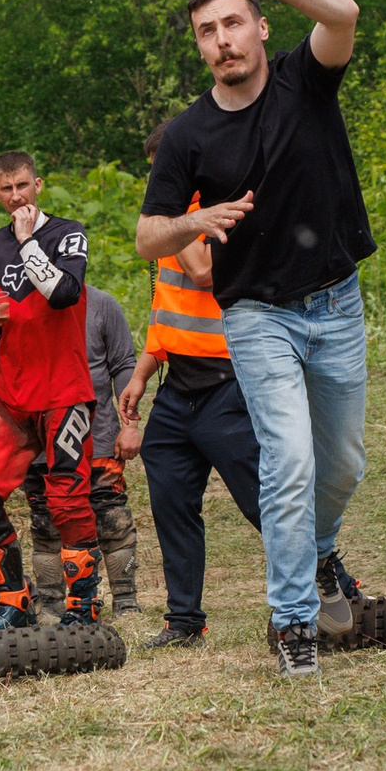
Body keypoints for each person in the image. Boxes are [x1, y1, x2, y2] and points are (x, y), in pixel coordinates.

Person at [137, 0, 373, 679]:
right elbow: (147, 236)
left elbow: (344, 13)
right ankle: (294, 622)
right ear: (200, 48)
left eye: (232, 22)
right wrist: (192, 222)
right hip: (255, 314)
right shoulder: (188, 135)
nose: (221, 39)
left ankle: (323, 547)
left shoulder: (307, 80)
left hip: (335, 300)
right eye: (207, 31)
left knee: (341, 463)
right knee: (289, 459)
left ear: (260, 27)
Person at [122, 117, 265, 649]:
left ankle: (336, 583)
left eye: (164, 169)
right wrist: (141, 372)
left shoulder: (215, 212)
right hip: (177, 386)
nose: (156, 179)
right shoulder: (173, 223)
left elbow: (204, 272)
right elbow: (169, 305)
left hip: (227, 381)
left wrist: (178, 215)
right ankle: (184, 622)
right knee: (171, 501)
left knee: (264, 502)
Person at [0, 152, 101, 630]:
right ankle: (13, 601)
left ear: (38, 184)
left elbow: (63, 293)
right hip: (10, 396)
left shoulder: (69, 233)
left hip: (64, 391)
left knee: (67, 500)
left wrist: (26, 243)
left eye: (23, 186)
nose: (16, 197)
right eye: (6, 189)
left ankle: (82, 605)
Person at [26, 289, 143, 618]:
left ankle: (126, 600)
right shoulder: (18, 307)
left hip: (98, 439)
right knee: (46, 526)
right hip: (41, 446)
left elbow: (123, 365)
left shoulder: (102, 304)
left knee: (112, 522)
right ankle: (50, 603)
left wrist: (129, 424)